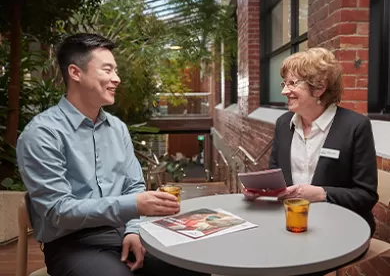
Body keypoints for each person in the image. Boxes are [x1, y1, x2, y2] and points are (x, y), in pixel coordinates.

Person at [16, 33, 210, 276]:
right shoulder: (42, 134)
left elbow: (134, 185)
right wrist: (134, 205)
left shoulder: (117, 128)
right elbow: (58, 211)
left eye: (115, 71)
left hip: (125, 232)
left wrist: (134, 229)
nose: (116, 79)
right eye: (107, 70)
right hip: (73, 244)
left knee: (192, 265)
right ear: (76, 73)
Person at [243, 47, 378, 236]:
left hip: (340, 228)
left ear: (319, 87)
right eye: (284, 83)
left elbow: (366, 196)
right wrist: (261, 190)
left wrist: (321, 194)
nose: (284, 91)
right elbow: (278, 179)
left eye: (292, 83)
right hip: (290, 223)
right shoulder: (283, 124)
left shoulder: (355, 126)